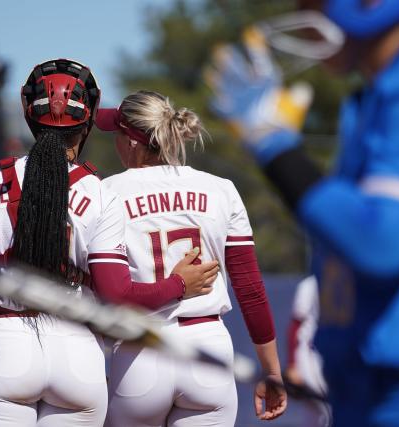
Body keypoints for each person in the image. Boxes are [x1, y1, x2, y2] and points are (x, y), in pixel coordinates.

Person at [0, 59, 219, 427]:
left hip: (3, 350)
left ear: (28, 115)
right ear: (86, 125)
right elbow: (115, 295)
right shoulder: (100, 193)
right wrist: (178, 284)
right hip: (78, 358)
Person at [208, 1, 399, 425]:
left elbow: (382, 241)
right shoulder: (386, 87)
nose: (307, 13)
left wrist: (277, 149)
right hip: (364, 389)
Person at [95, 90, 287, 427]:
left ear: (133, 142)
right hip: (208, 349)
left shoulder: (106, 191)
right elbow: (250, 289)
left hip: (140, 351)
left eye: (118, 135)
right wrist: (272, 370)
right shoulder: (221, 188)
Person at [285, 275, 329, 427]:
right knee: (321, 409)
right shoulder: (310, 284)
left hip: (334, 356)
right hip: (310, 356)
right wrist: (292, 365)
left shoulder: (348, 277)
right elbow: (295, 326)